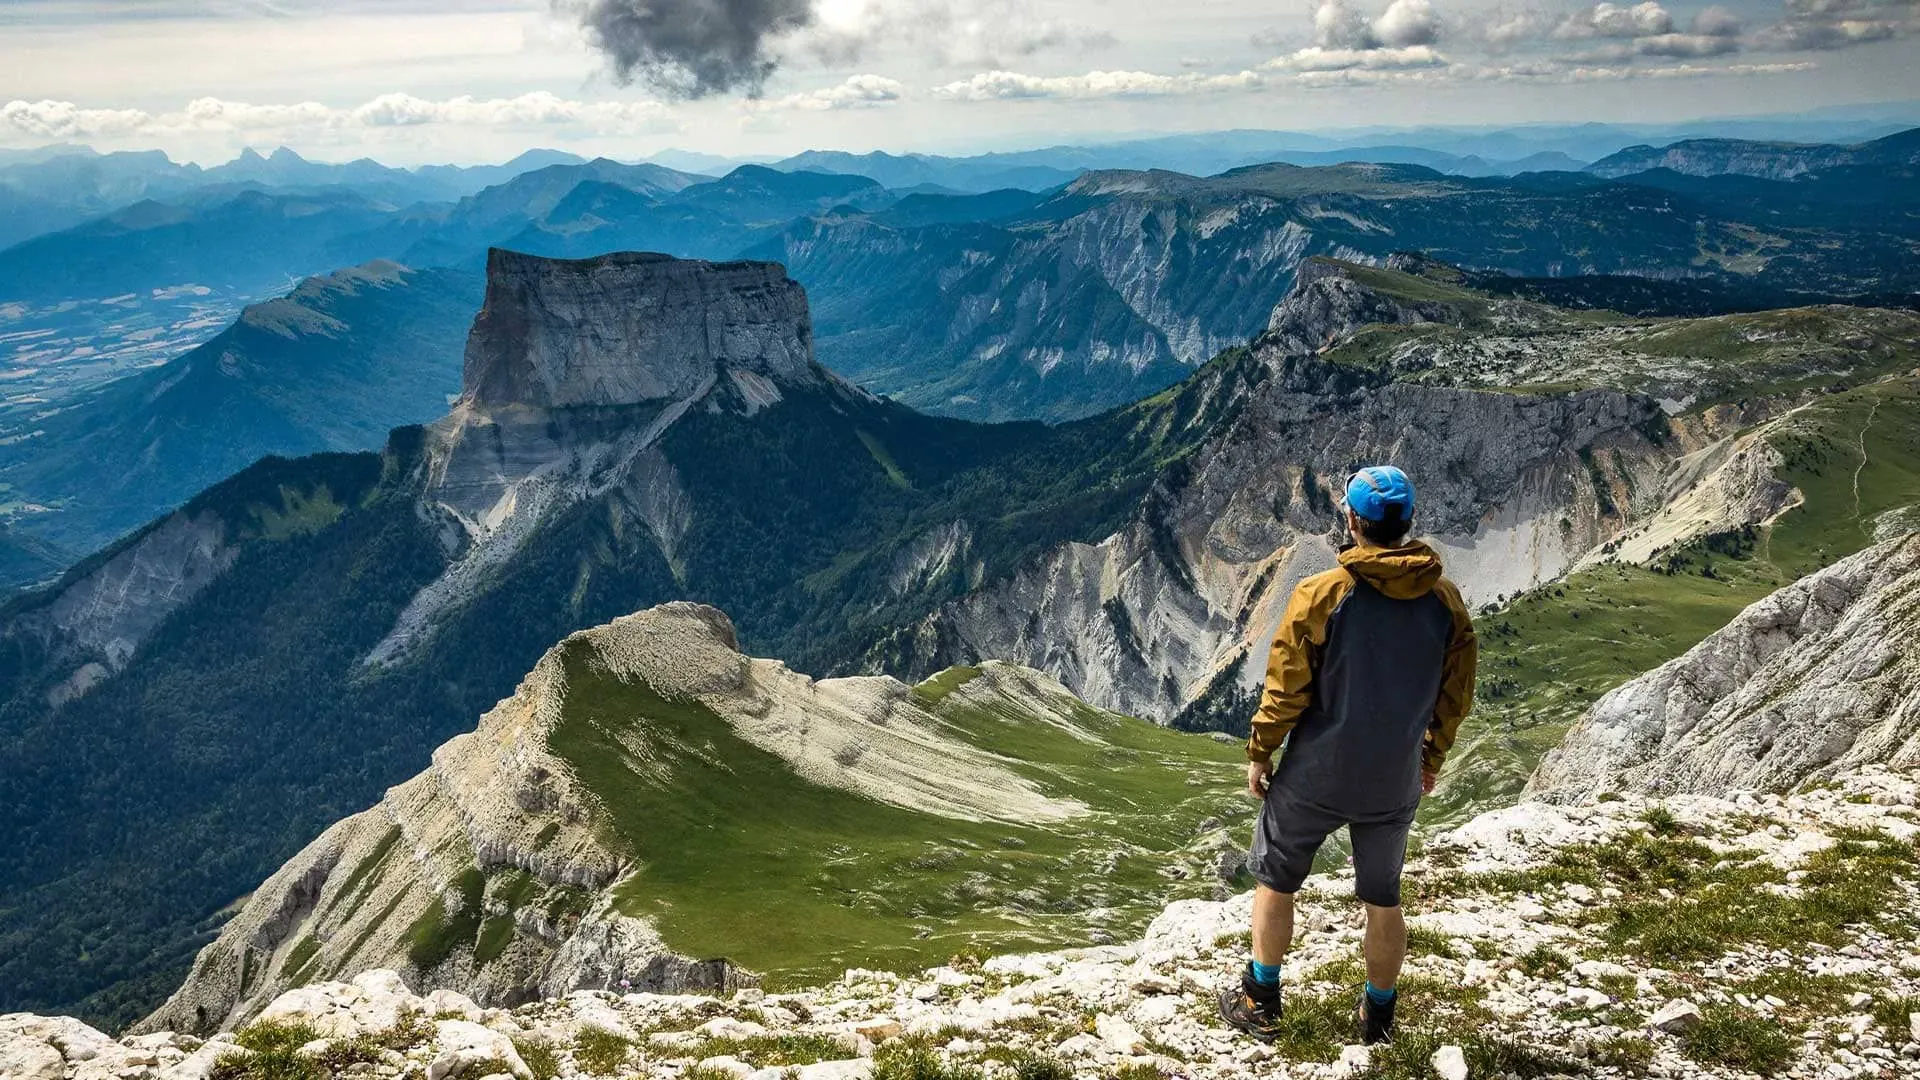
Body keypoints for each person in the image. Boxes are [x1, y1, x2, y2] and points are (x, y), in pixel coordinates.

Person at [1218, 465, 1478, 1045]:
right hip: (1394, 778)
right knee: (1383, 897)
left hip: (1316, 772)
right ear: (1408, 523)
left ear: (1353, 521)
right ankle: (1378, 1017)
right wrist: (1430, 757)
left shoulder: (1323, 593)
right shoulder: (1445, 601)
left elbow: (1287, 687)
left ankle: (1260, 997)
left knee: (1277, 880)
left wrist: (1261, 750)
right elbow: (1455, 693)